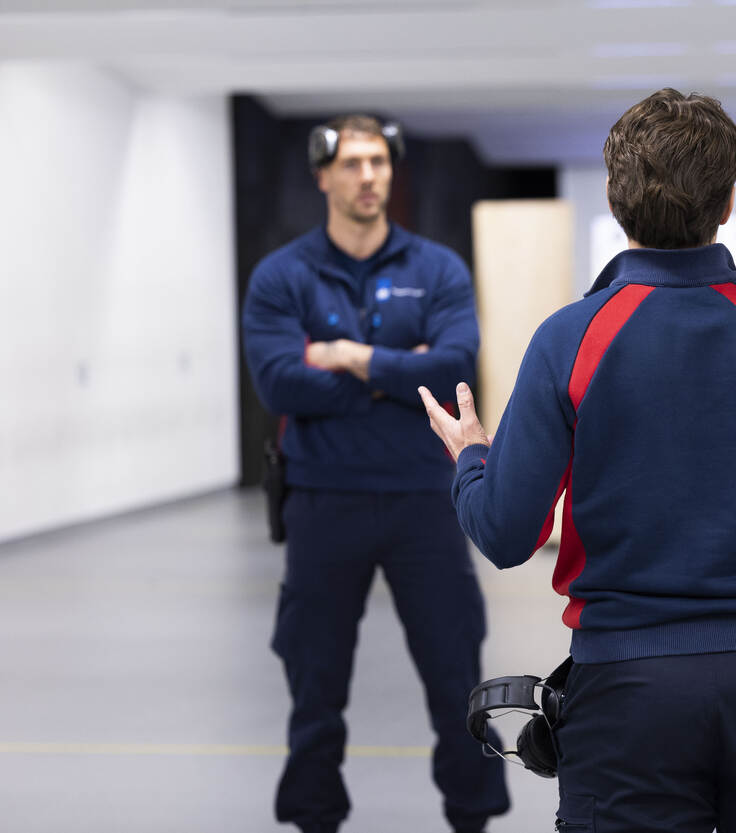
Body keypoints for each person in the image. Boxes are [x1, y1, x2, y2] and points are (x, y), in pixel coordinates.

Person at [418, 89, 736, 833]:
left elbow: (506, 530)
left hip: (624, 694)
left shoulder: (570, 340)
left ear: (616, 204)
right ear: (730, 201)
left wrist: (471, 456)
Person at [241, 114, 508, 833]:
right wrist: (400, 369)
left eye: (380, 163)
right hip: (323, 504)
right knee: (314, 680)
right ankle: (315, 816)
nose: (369, 176)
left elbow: (454, 366)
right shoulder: (282, 276)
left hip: (427, 500)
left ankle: (474, 813)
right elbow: (280, 386)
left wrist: (351, 358)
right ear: (323, 174)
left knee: (456, 672)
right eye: (354, 163)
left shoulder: (437, 269)